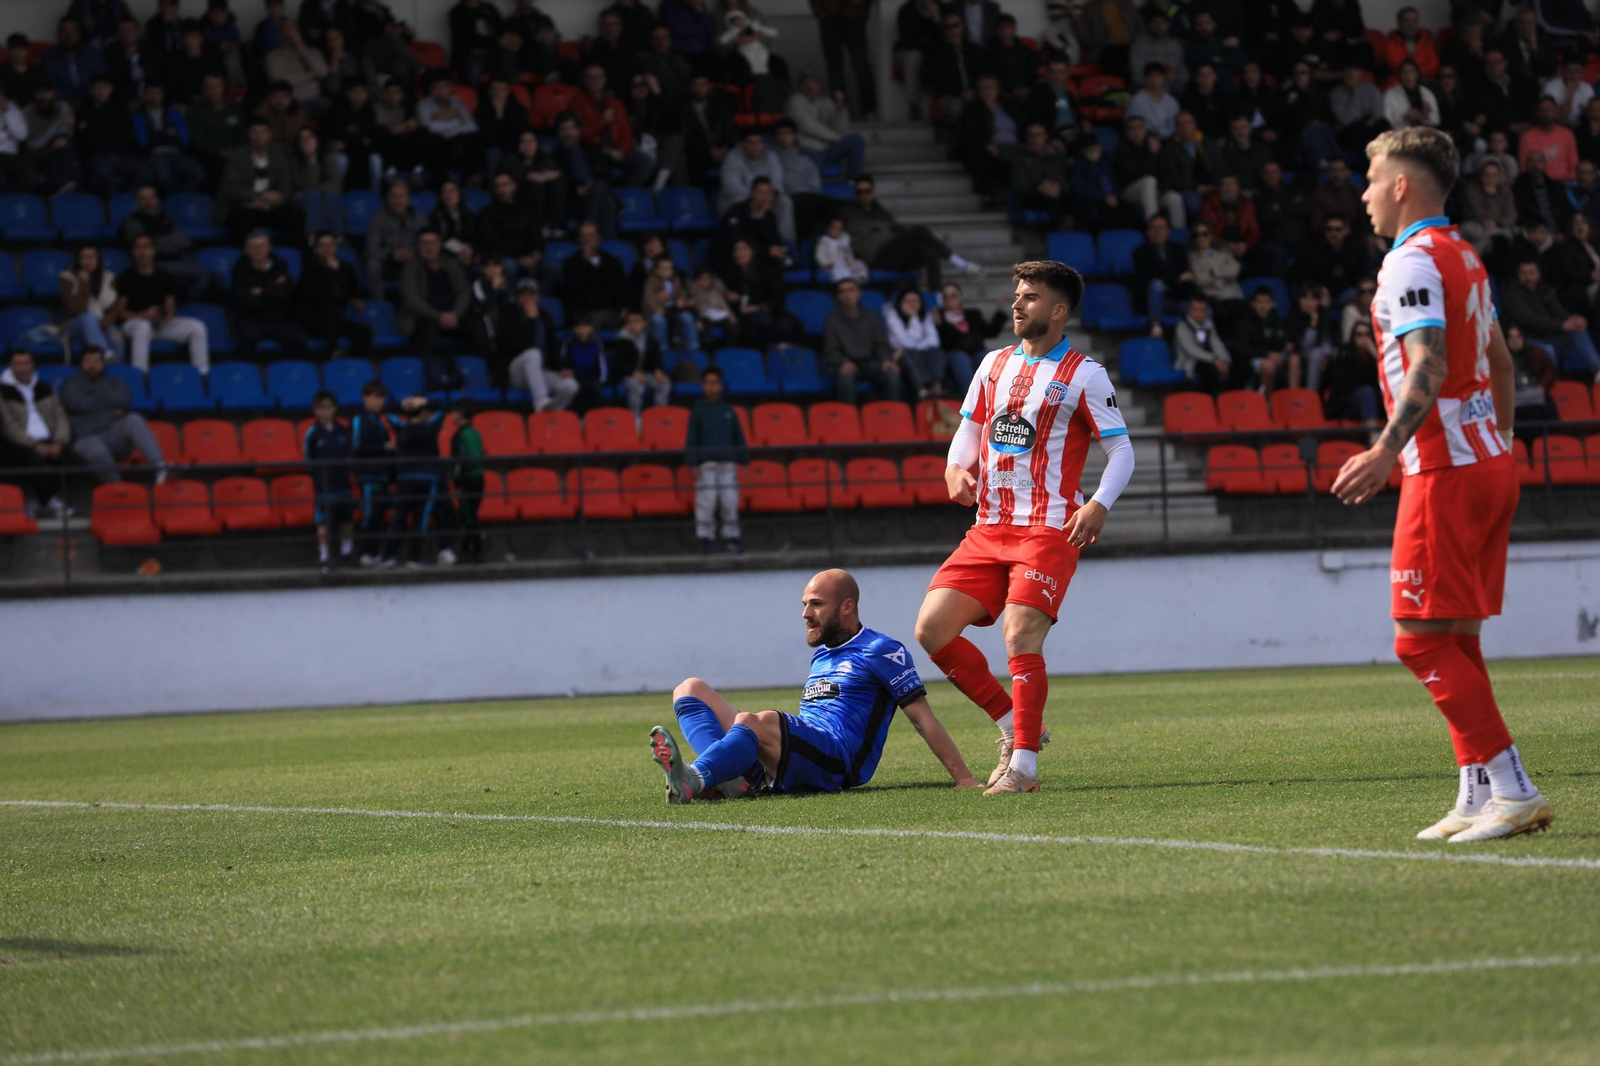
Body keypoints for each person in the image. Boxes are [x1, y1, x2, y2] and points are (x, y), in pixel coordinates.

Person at [1330, 126, 1553, 843]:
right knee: (1456, 637)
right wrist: (1504, 444)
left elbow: (1425, 364)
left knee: (1418, 642)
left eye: (1371, 179)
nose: (1363, 194)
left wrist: (1384, 449)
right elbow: (1502, 363)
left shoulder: (1410, 261)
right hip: (1488, 461)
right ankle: (1476, 794)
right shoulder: (1464, 256)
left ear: (1401, 184)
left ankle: (1514, 788)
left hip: (1446, 469)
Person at [912, 260, 1134, 795]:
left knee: (1020, 633)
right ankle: (1014, 724)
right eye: (1016, 294)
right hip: (988, 526)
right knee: (932, 630)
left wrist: (1100, 503)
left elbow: (1121, 449)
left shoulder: (1084, 374)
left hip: (1048, 528)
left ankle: (1024, 769)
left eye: (1029, 297)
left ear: (1058, 311)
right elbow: (968, 431)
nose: (1016, 303)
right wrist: (953, 468)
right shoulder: (992, 364)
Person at [650, 568, 978, 803]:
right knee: (689, 688)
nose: (806, 613)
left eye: (816, 604)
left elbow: (922, 717)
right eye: (805, 604)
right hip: (803, 749)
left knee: (753, 720)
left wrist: (963, 778)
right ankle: (732, 779)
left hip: (837, 762)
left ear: (847, 606)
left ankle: (697, 778)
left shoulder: (882, 650)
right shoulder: (821, 654)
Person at [842, 174, 982, 290]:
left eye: (867, 191)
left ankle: (936, 298)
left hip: (895, 254)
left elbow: (897, 230)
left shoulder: (882, 213)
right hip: (876, 257)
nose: (863, 195)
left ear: (873, 192)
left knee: (930, 253)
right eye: (859, 192)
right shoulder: (849, 214)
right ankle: (960, 263)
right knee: (919, 230)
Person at [60, 346, 166, 482]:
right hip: (86, 437)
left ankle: (160, 466)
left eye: (97, 361)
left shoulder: (113, 381)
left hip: (112, 434)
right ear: (81, 363)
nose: (92, 365)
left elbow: (124, 399)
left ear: (103, 364)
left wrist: (92, 398)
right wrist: (109, 409)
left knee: (134, 419)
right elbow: (76, 404)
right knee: (96, 451)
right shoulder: (71, 383)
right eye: (88, 361)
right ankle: (117, 488)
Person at [115, 235, 209, 374]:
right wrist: (144, 314)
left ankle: (203, 374)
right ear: (133, 253)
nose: (142, 252)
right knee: (143, 327)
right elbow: (121, 312)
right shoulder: (126, 277)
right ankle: (140, 374)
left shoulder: (163, 275)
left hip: (158, 324)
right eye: (138, 248)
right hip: (134, 324)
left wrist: (166, 316)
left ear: (153, 251)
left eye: (146, 247)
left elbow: (170, 303)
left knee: (197, 327)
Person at [399, 230, 479, 386]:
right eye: (424, 243)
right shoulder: (410, 267)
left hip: (453, 317)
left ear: (440, 244)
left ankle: (475, 376)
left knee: (476, 326)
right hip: (425, 318)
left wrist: (456, 314)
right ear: (418, 246)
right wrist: (439, 316)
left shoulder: (450, 264)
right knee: (427, 331)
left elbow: (464, 291)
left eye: (433, 243)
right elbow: (412, 300)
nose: (429, 247)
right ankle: (426, 381)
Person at [383, 395, 454, 569]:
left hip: (406, 479)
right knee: (420, 520)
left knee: (399, 518)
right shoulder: (431, 427)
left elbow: (387, 410)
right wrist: (425, 402)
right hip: (427, 479)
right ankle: (414, 558)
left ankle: (389, 557)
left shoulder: (402, 427)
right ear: (423, 413)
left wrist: (403, 403)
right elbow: (443, 406)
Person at [0, 350, 73, 518]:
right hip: (21, 443)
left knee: (73, 457)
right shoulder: (2, 392)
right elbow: (9, 426)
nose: (23, 368)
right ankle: (48, 501)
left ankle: (40, 501)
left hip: (50, 440)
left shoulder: (46, 388)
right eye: (18, 364)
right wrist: (34, 444)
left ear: (32, 365)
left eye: (26, 363)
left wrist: (59, 442)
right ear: (11, 366)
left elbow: (60, 416)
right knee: (32, 457)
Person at [1502, 259, 1600, 379]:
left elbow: (1558, 312)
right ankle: (1555, 385)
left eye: (1531, 273)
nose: (1527, 277)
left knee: (1577, 329)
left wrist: (1574, 319)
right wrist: (1562, 325)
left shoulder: (1544, 290)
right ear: (1518, 275)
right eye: (1523, 273)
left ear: (1538, 274)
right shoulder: (1512, 294)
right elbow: (1531, 320)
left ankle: (1597, 368)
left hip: (1549, 336)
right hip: (1528, 339)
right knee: (1548, 350)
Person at [685, 365, 747, 553]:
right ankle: (706, 537)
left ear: (721, 385)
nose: (712, 387)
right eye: (708, 383)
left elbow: (738, 436)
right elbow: (692, 438)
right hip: (707, 464)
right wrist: (693, 462)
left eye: (715, 383)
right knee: (707, 502)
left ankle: (731, 536)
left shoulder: (727, 409)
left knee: (729, 501)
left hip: (727, 463)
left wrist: (744, 459)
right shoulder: (698, 409)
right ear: (703, 386)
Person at [216, 118, 300, 243]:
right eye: (254, 132)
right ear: (249, 134)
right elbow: (231, 189)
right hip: (244, 206)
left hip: (270, 208)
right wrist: (258, 196)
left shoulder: (280, 157)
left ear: (270, 134)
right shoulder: (237, 157)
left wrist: (271, 203)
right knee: (241, 218)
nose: (259, 136)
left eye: (263, 132)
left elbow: (286, 189)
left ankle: (288, 256)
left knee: (293, 216)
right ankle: (243, 257)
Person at [232, 231, 307, 362]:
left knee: (298, 338)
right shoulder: (239, 269)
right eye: (253, 247)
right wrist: (273, 289)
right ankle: (249, 374)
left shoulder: (280, 265)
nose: (258, 250)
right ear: (246, 250)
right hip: (252, 319)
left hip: (279, 319)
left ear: (269, 248)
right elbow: (243, 299)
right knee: (245, 339)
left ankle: (288, 372)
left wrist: (262, 291)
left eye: (261, 246)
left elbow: (288, 293)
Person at [823, 278, 901, 404]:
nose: (846, 295)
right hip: (844, 363)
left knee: (891, 372)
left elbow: (880, 344)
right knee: (845, 376)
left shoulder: (871, 316)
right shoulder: (831, 320)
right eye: (842, 291)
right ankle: (848, 418)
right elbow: (832, 351)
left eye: (850, 290)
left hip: (868, 363)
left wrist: (886, 359)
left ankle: (893, 414)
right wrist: (843, 362)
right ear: (838, 296)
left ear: (859, 293)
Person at [303, 388, 355, 574]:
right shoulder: (313, 433)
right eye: (320, 407)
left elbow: (349, 453)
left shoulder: (343, 430)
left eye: (328, 407)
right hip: (324, 487)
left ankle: (346, 551)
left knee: (346, 520)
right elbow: (309, 459)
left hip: (343, 484)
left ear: (335, 409)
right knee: (323, 523)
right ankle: (324, 556)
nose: (325, 411)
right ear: (315, 410)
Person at [503, 279, 577, 409]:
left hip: (541, 372)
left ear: (537, 296)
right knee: (533, 353)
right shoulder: (510, 315)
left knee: (570, 385)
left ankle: (549, 415)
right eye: (523, 294)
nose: (527, 298)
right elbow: (520, 345)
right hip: (517, 372)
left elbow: (553, 347)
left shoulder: (545, 317)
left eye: (531, 294)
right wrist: (531, 320)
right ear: (518, 297)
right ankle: (540, 401)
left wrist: (562, 367)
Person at [298, 231, 372, 359]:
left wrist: (356, 299)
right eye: (323, 245)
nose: (328, 249)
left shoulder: (346, 267)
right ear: (316, 249)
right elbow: (317, 296)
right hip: (315, 320)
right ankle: (334, 351)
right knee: (327, 311)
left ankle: (355, 362)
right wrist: (331, 272)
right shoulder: (310, 269)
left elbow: (354, 291)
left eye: (331, 244)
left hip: (337, 319)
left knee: (365, 331)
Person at [349, 379, 397, 566]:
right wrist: (385, 446)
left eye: (381, 398)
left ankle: (374, 552)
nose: (379, 402)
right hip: (369, 475)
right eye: (375, 397)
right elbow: (358, 446)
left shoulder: (381, 420)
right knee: (370, 513)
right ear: (365, 398)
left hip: (382, 475)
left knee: (379, 515)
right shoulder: (359, 420)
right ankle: (365, 553)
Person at [784, 70, 865, 178]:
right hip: (807, 149)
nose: (810, 86)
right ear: (800, 86)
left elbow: (840, 129)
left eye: (814, 83)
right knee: (813, 168)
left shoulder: (825, 101)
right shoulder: (794, 101)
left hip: (827, 149)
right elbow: (808, 126)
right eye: (806, 82)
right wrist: (837, 138)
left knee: (856, 139)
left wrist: (840, 108)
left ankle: (857, 181)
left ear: (819, 86)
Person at [935, 282, 1006, 391]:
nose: (950, 299)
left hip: (977, 350)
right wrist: (939, 324)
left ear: (960, 297)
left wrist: (1000, 313)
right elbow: (944, 342)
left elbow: (990, 332)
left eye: (953, 295)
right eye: (945, 296)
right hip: (955, 353)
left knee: (987, 358)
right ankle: (971, 400)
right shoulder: (939, 317)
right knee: (961, 358)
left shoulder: (973, 314)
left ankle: (996, 395)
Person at [59, 246, 125, 362]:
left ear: (98, 259)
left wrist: (106, 322)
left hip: (102, 323)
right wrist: (84, 284)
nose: (88, 261)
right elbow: (77, 308)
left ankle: (116, 371)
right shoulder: (67, 278)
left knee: (116, 335)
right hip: (75, 324)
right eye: (84, 257)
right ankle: (103, 353)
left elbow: (115, 306)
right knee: (88, 317)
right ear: (78, 260)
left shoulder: (108, 277)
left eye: (92, 257)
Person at [1132, 214, 1193, 336]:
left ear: (1168, 231)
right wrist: (1176, 279)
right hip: (1151, 301)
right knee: (1156, 285)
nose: (1158, 232)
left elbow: (1187, 278)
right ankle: (1156, 326)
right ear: (1148, 232)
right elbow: (1147, 277)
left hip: (1176, 299)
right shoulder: (1140, 252)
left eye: (1161, 228)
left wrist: (1170, 282)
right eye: (1154, 228)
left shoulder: (1179, 250)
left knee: (1197, 308)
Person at [365, 179, 427, 298]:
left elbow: (428, 243)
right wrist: (391, 254)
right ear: (387, 199)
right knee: (372, 265)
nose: (397, 200)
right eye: (393, 196)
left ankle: (420, 305)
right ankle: (379, 306)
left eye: (401, 196)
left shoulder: (419, 217)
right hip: (387, 263)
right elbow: (371, 249)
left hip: (412, 259)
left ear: (408, 198)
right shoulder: (378, 218)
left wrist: (413, 253)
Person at [882, 288, 948, 399]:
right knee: (909, 353)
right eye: (908, 301)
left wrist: (909, 347)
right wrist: (914, 318)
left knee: (935, 351)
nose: (912, 304)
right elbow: (905, 342)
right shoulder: (892, 316)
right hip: (902, 355)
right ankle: (922, 390)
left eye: (916, 301)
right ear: (900, 302)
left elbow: (933, 341)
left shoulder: (926, 316)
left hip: (917, 352)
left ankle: (937, 387)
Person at [561, 221, 628, 330]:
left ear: (598, 237)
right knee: (588, 323)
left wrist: (623, 308)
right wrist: (584, 263)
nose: (587, 239)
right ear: (578, 239)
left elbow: (620, 288)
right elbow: (573, 292)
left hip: (611, 312)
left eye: (591, 235)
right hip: (584, 314)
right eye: (583, 235)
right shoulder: (571, 263)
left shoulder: (612, 261)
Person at [1321, 319, 1382, 432]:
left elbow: (1383, 382)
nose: (1364, 338)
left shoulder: (1375, 357)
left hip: (1373, 404)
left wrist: (1375, 355)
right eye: (1359, 334)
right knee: (1366, 392)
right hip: (1347, 405)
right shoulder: (1344, 354)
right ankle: (1373, 435)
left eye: (1367, 334)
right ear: (1353, 336)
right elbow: (1348, 384)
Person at [610, 310, 671, 421]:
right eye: (631, 322)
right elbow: (619, 363)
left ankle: (659, 414)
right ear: (627, 324)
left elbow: (656, 358)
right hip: (626, 374)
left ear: (644, 323)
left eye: (637, 322)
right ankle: (635, 417)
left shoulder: (650, 340)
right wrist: (634, 373)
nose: (634, 325)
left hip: (645, 374)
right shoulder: (621, 340)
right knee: (637, 385)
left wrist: (658, 370)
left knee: (664, 383)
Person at [446, 398, 485, 564]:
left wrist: (457, 481)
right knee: (470, 515)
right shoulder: (473, 433)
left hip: (467, 480)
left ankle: (473, 551)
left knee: (469, 516)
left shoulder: (461, 435)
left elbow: (461, 461)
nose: (451, 415)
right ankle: (470, 550)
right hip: (477, 478)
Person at [290, 126, 346, 235]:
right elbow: (302, 184)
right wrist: (311, 161)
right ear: (298, 144)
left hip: (322, 198)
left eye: (310, 137)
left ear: (317, 141)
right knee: (312, 196)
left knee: (331, 196)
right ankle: (315, 235)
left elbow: (336, 184)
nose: (306, 141)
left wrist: (316, 190)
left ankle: (338, 235)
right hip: (302, 202)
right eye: (302, 139)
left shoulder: (328, 159)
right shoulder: (293, 162)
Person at [1172, 295, 1234, 393]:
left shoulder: (1209, 325)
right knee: (1209, 370)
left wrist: (1224, 360)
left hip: (1209, 360)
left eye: (1202, 310)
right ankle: (1209, 401)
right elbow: (1192, 350)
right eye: (1195, 310)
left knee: (1232, 368)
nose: (1198, 314)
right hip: (1190, 362)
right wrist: (1214, 360)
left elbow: (1216, 343)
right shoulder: (1182, 326)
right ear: (1189, 310)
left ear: (1206, 311)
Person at [814, 214, 867, 282]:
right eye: (834, 228)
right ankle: (842, 282)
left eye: (839, 228)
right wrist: (827, 263)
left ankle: (861, 279)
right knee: (840, 271)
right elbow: (819, 256)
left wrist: (849, 260)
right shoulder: (824, 241)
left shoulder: (844, 238)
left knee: (860, 263)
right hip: (831, 264)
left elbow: (848, 251)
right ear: (828, 228)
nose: (837, 231)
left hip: (844, 262)